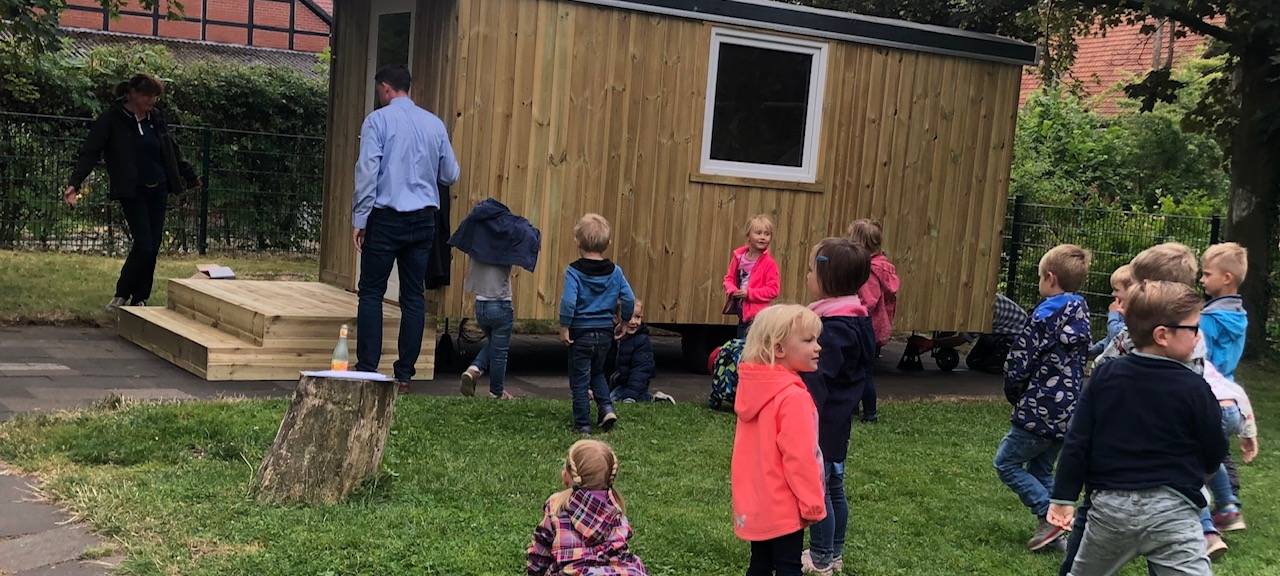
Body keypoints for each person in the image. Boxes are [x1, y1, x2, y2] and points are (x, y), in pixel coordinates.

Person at [1047, 281, 1227, 576]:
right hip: (1174, 511)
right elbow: (1215, 445)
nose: (1198, 337)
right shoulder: (1195, 387)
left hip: (1110, 511)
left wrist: (1064, 498)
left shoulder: (1105, 376)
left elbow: (1077, 441)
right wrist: (1202, 470)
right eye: (1193, 329)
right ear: (1162, 335)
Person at [351, 64, 460, 392]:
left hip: (386, 217)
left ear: (385, 88)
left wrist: (360, 219)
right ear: (407, 87)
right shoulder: (434, 124)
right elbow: (451, 173)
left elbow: (367, 172)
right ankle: (404, 375)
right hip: (424, 218)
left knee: (371, 291)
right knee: (414, 295)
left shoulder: (377, 121)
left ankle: (368, 368)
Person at [64, 73, 200, 311]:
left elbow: (170, 150)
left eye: (155, 97)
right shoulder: (112, 119)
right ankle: (121, 293)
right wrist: (75, 183)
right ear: (133, 93)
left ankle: (140, 297)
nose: (152, 101)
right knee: (144, 244)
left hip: (157, 188)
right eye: (148, 96)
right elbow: (91, 152)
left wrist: (189, 176)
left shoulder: (155, 118)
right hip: (132, 190)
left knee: (153, 245)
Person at [997, 244, 1091, 552]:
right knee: (1040, 470)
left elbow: (1020, 361)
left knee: (1006, 463)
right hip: (1069, 412)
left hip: (1039, 408)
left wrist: (1015, 393)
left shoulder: (1043, 315)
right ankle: (1059, 531)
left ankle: (1048, 517)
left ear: (1050, 278)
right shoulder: (1081, 315)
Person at [798, 239, 875, 576]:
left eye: (812, 269)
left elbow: (818, 378)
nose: (807, 275)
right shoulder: (856, 317)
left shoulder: (833, 328)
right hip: (839, 421)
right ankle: (834, 551)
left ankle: (821, 558)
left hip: (824, 422)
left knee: (821, 489)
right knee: (833, 486)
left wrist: (800, 413)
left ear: (827, 279)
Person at [732, 304, 827, 576]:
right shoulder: (793, 397)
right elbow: (800, 458)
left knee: (760, 564)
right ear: (779, 349)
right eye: (808, 340)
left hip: (756, 501)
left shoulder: (752, 388)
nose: (817, 347)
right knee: (788, 567)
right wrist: (812, 503)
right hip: (784, 503)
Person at [451, 198, 542, 400]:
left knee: (493, 343)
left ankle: (474, 369)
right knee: (500, 351)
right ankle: (496, 392)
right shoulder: (505, 238)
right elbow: (528, 233)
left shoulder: (477, 235)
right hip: (501, 303)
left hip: (480, 305)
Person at [559, 214, 636, 434]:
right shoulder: (616, 271)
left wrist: (564, 326)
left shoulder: (574, 271)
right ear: (608, 244)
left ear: (577, 242)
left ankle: (582, 424)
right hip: (604, 333)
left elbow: (568, 301)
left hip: (580, 334)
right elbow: (629, 298)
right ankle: (606, 407)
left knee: (580, 379)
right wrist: (624, 320)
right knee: (598, 372)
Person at [526, 439, 648, 576]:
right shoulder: (616, 510)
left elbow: (540, 551)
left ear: (568, 475)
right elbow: (620, 551)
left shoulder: (556, 506)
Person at [1198, 242, 1255, 532]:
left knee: (1196, 456)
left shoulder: (1209, 319)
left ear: (1227, 278)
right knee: (1218, 453)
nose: (1202, 280)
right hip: (1229, 395)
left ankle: (1207, 521)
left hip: (1207, 393)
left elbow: (1198, 354)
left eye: (1207, 274)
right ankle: (1229, 505)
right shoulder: (1239, 316)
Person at [848, 219, 898, 422]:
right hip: (876, 327)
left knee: (859, 371)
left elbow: (868, 300)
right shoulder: (884, 265)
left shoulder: (869, 270)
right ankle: (857, 408)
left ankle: (869, 413)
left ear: (860, 243)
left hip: (864, 325)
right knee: (862, 369)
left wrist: (849, 308)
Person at [723, 215, 781, 339]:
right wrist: (733, 290)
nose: (762, 237)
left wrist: (749, 294)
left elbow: (773, 290)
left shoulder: (769, 263)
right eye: (758, 233)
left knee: (753, 351)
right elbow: (729, 279)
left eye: (767, 234)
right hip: (742, 315)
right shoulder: (738, 258)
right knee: (741, 348)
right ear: (748, 235)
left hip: (759, 317)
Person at [609, 301, 675, 405]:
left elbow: (641, 371)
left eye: (638, 317)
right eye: (630, 317)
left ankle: (653, 399)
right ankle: (650, 398)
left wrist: (630, 395)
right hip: (617, 383)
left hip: (632, 386)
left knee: (611, 400)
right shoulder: (613, 338)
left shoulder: (641, 341)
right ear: (616, 318)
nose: (634, 322)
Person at [1088, 265, 1135, 357]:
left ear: (1131, 291)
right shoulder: (1121, 313)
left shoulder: (1135, 314)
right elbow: (1109, 338)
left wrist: (1113, 314)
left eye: (1116, 290)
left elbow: (1116, 335)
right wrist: (1092, 350)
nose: (1113, 294)